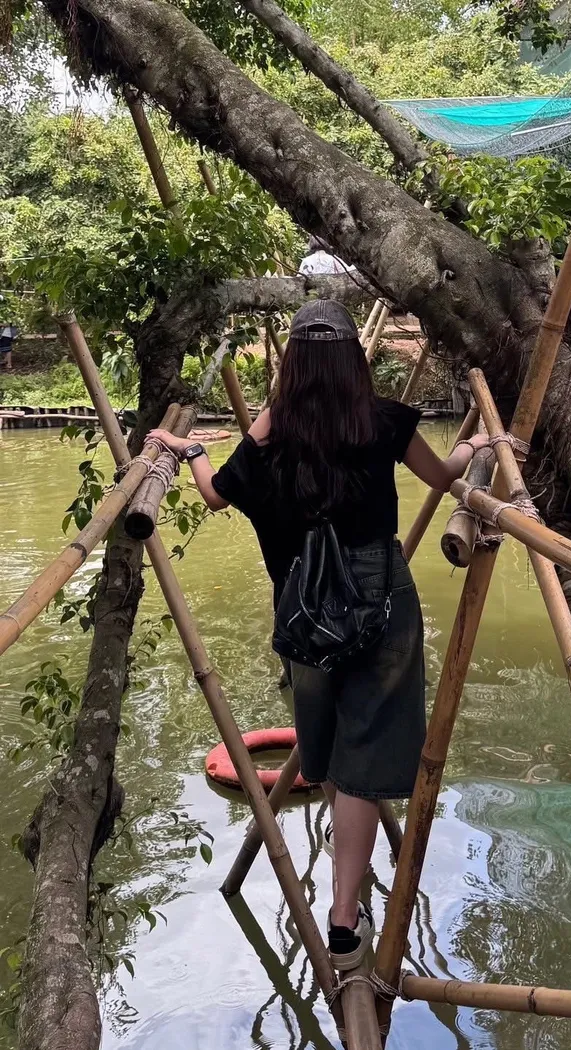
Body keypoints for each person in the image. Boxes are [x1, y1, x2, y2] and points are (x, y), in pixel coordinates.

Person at [148, 300, 490, 970]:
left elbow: (217, 493)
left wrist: (191, 450)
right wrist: (474, 447)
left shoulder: (277, 429)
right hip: (380, 599)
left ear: (294, 364)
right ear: (354, 361)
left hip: (303, 608)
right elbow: (444, 477)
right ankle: (344, 916)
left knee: (326, 742)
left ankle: (342, 884)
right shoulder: (383, 420)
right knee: (365, 743)